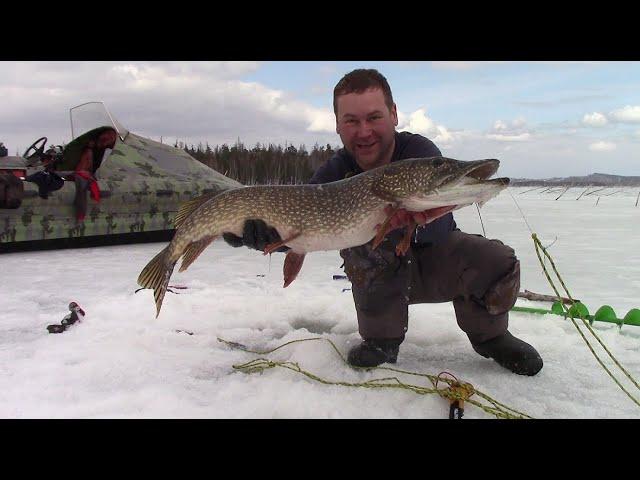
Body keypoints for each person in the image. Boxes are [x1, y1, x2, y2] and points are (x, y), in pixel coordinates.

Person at [223, 69, 543, 376]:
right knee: (368, 245)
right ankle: (381, 339)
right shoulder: (333, 174)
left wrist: (411, 217)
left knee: (495, 258)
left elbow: (440, 225)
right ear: (337, 125)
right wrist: (261, 235)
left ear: (393, 114)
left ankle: (491, 337)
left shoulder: (420, 154)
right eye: (352, 121)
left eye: (374, 117)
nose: (364, 131)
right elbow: (307, 230)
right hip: (379, 278)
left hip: (435, 265)